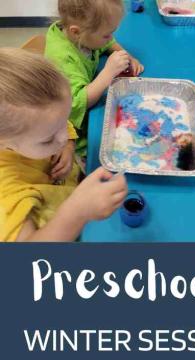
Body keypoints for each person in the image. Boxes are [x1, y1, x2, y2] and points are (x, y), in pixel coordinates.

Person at [0, 48, 127, 242]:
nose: (62, 138)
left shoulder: (40, 126)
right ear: (4, 143)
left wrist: (68, 145)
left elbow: (57, 126)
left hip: (73, 189)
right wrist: (78, 212)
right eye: (48, 139)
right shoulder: (5, 192)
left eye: (64, 122)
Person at [45, 0, 144, 152]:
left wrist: (127, 55)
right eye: (106, 35)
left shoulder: (83, 34)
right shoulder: (62, 59)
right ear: (76, 32)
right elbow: (75, 104)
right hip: (69, 132)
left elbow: (106, 43)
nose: (111, 38)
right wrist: (108, 73)